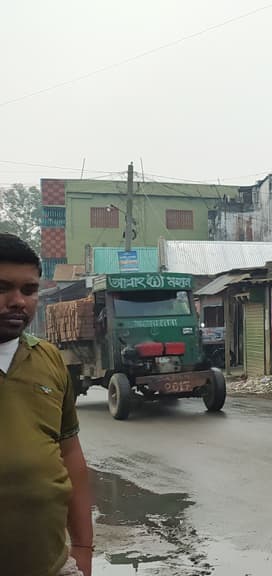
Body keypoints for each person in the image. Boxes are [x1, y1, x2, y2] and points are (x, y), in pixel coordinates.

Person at [0, 233, 93, 576]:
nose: (18, 301)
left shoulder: (50, 360)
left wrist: (83, 549)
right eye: (2, 288)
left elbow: (70, 453)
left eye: (29, 290)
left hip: (49, 566)